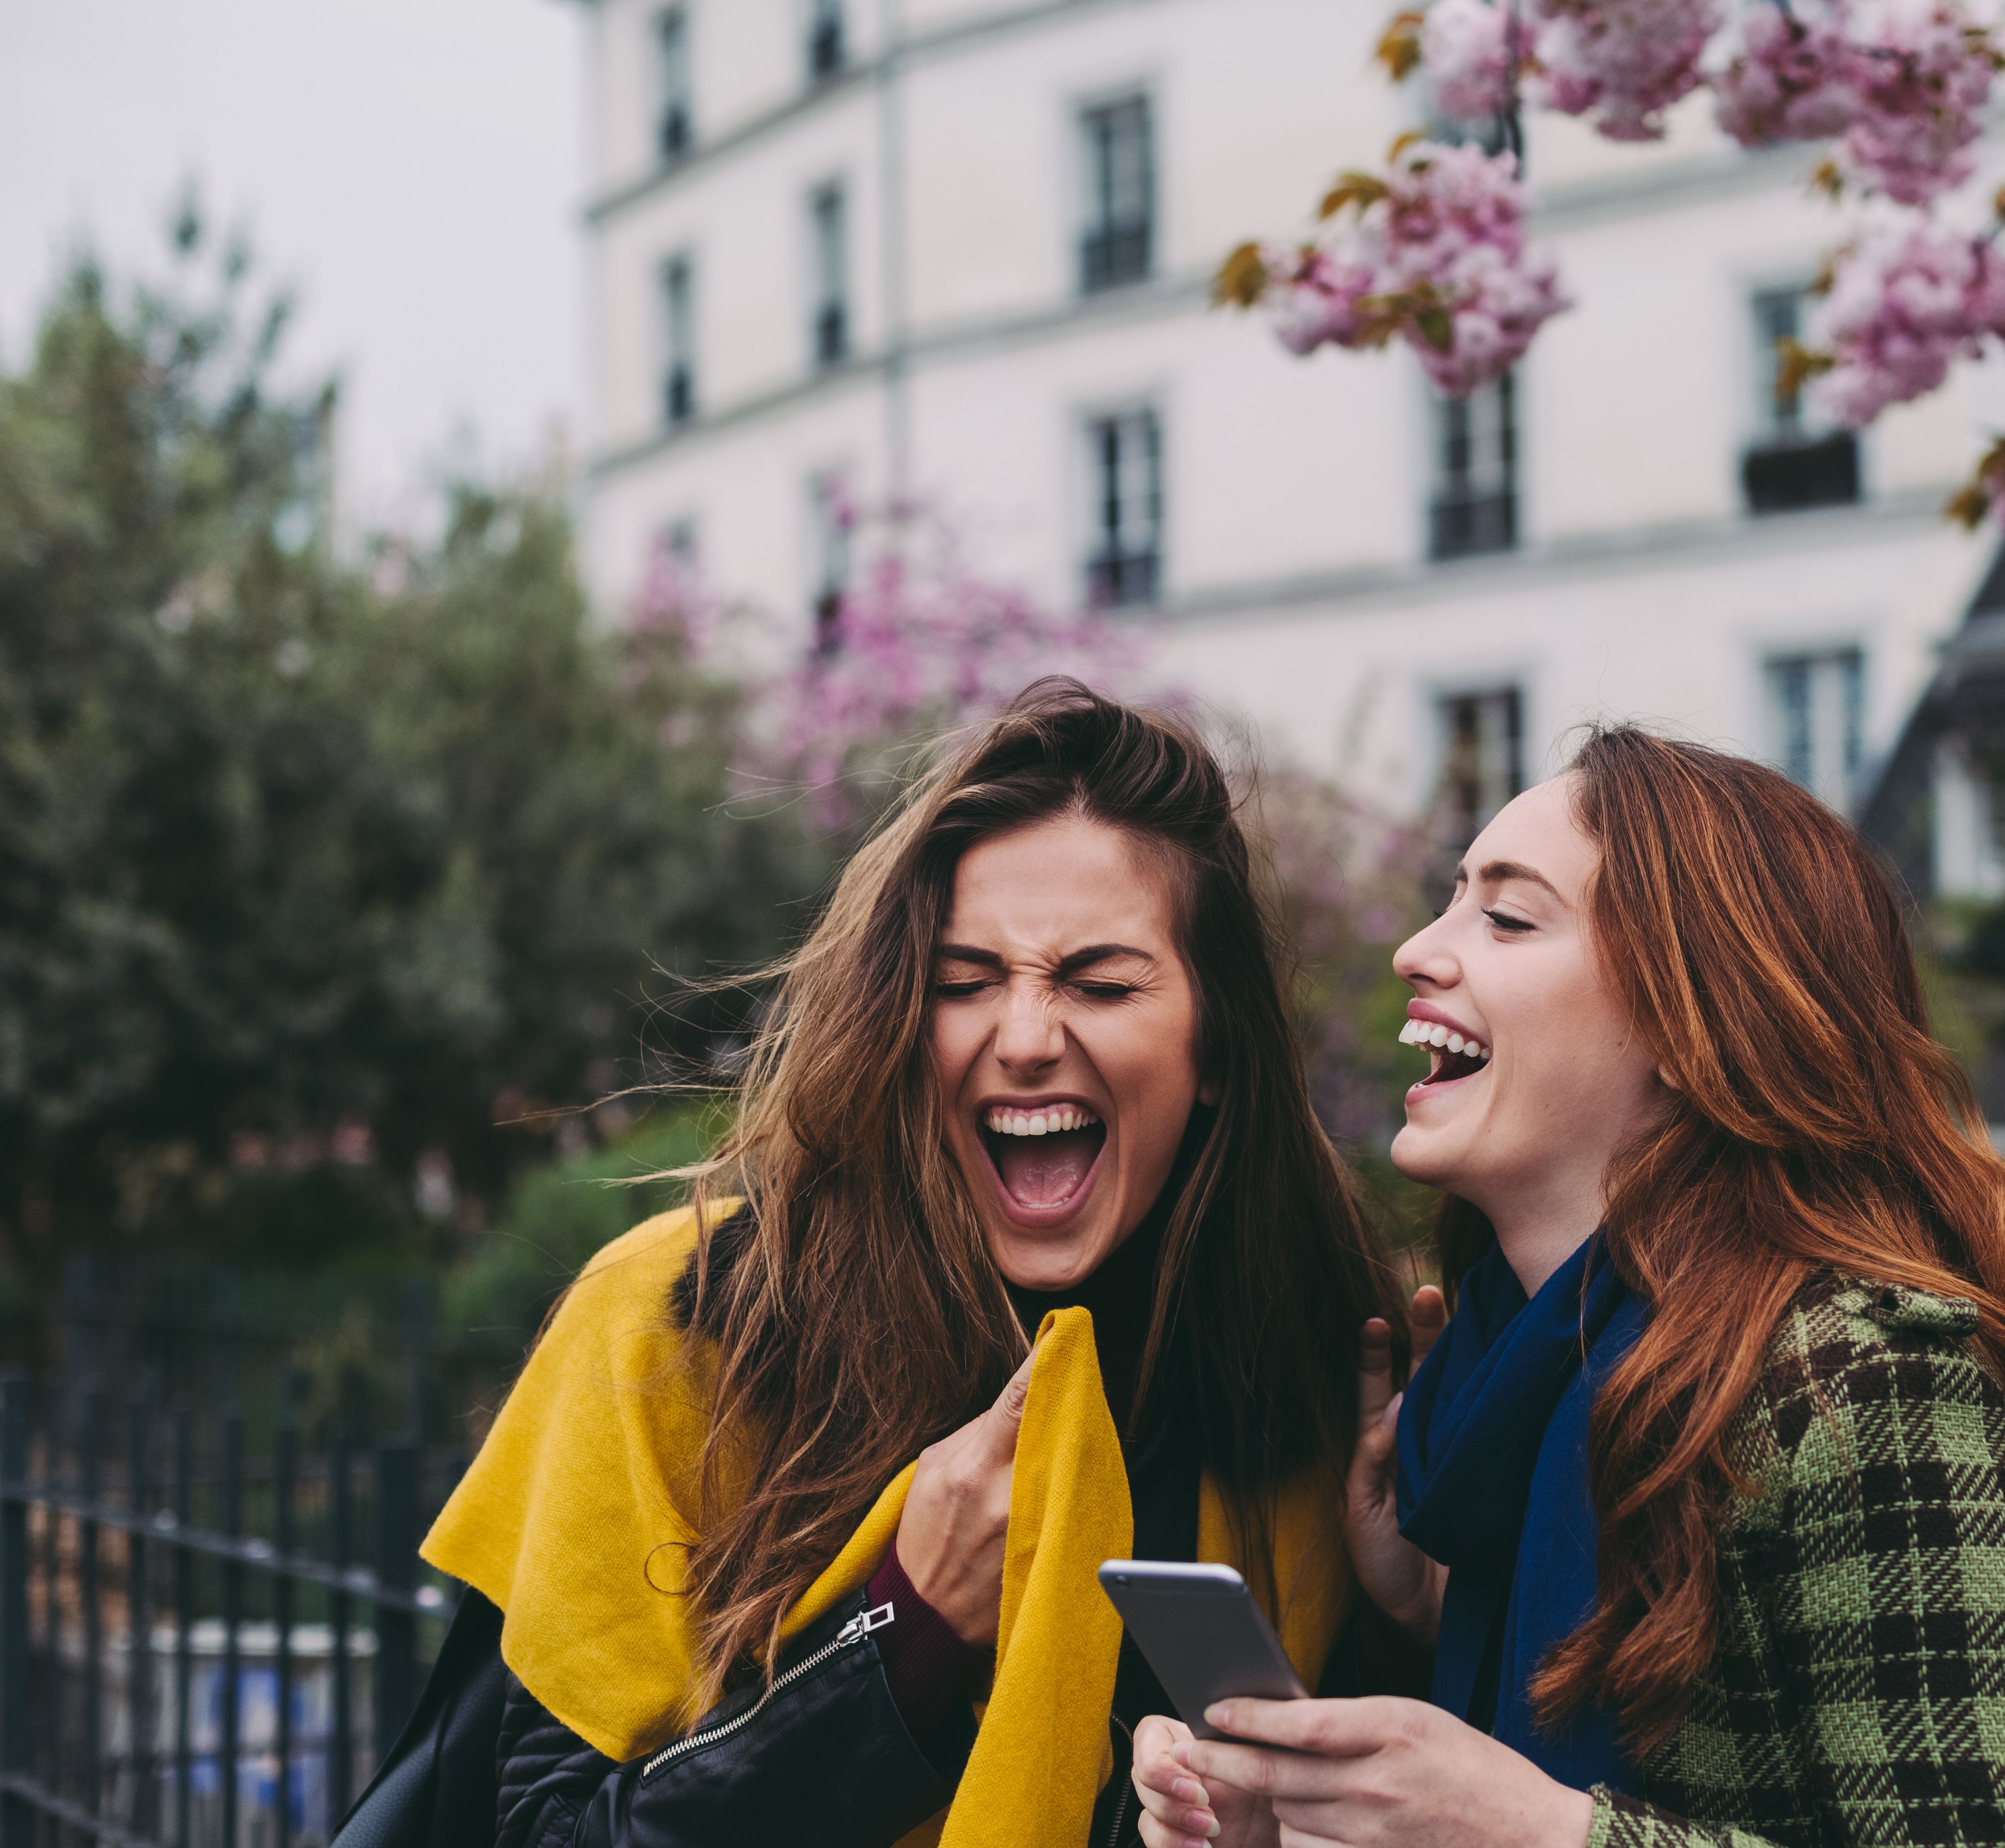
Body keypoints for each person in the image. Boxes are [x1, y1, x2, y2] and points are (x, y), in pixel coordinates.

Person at [339, 682, 1405, 1848]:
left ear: (1216, 1049)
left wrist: (1415, 1618)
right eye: (963, 984)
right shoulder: (682, 1323)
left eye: (1099, 984)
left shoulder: (1295, 1386)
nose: (1027, 1036)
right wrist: (902, 1636)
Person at [1131, 724, 2005, 1848]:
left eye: (1505, 916)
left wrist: (1545, 1835)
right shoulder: (1498, 1404)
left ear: (1695, 1018)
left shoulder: (1879, 1395)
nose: (1413, 949)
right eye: (1449, 900)